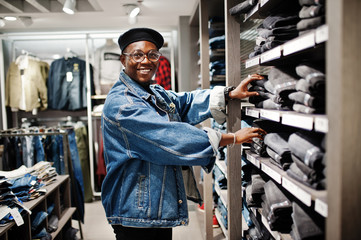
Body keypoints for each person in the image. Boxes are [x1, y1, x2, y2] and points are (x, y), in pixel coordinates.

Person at [101, 27, 266, 240]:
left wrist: (228, 94)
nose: (146, 61)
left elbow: (183, 103)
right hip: (136, 209)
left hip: (149, 205)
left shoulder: (152, 91)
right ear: (123, 60)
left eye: (152, 55)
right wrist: (232, 138)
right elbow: (170, 138)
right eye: (137, 55)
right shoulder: (123, 105)